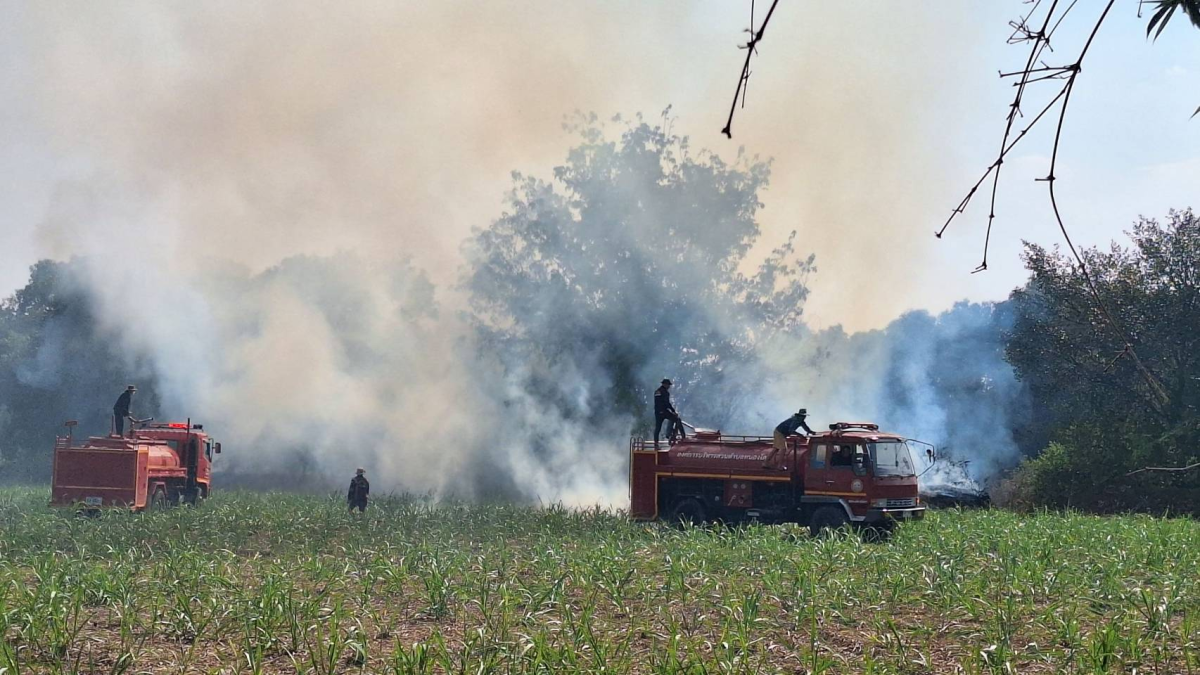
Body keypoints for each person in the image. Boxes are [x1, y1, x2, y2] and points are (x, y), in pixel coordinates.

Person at [653, 379, 684, 446]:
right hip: (663, 411)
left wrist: (671, 411)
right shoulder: (664, 392)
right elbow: (666, 403)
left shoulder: (658, 391)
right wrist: (673, 411)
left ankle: (656, 444)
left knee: (657, 428)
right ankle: (682, 436)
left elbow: (660, 403)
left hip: (658, 412)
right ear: (665, 384)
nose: (669, 386)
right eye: (668, 385)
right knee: (677, 419)